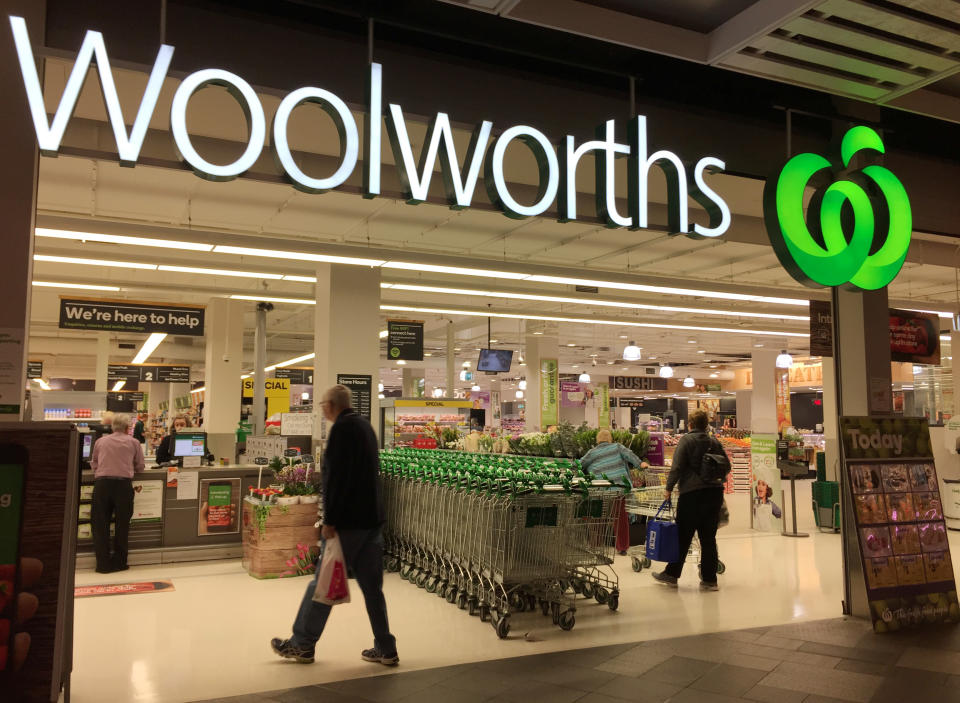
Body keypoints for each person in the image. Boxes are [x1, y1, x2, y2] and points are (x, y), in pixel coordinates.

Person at [272, 385, 397, 666]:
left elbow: (337, 480)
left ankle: (302, 644)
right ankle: (386, 647)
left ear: (330, 406)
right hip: (372, 521)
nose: (322, 410)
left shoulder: (340, 431)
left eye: (322, 405)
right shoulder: (366, 427)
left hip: (348, 523)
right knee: (372, 588)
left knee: (324, 582)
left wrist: (330, 520)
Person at [653, 410, 725, 591]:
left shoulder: (686, 440)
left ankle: (671, 574)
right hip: (714, 494)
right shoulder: (714, 441)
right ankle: (710, 580)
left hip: (691, 494)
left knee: (683, 536)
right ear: (706, 425)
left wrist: (668, 488)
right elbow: (725, 466)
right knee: (708, 538)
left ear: (690, 425)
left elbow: (676, 467)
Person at [90, 413, 145, 573]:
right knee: (122, 525)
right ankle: (120, 562)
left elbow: (94, 462)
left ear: (112, 427)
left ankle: (103, 565)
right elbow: (140, 466)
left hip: (102, 485)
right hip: (123, 486)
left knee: (100, 525)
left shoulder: (100, 441)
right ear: (128, 428)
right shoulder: (134, 442)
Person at [580, 429, 642, 555]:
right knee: (620, 517)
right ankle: (622, 547)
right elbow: (630, 456)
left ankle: (596, 543)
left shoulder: (592, 452)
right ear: (610, 439)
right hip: (619, 488)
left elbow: (579, 464)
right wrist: (641, 464)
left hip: (600, 488)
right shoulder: (617, 447)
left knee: (598, 515)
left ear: (597, 440)